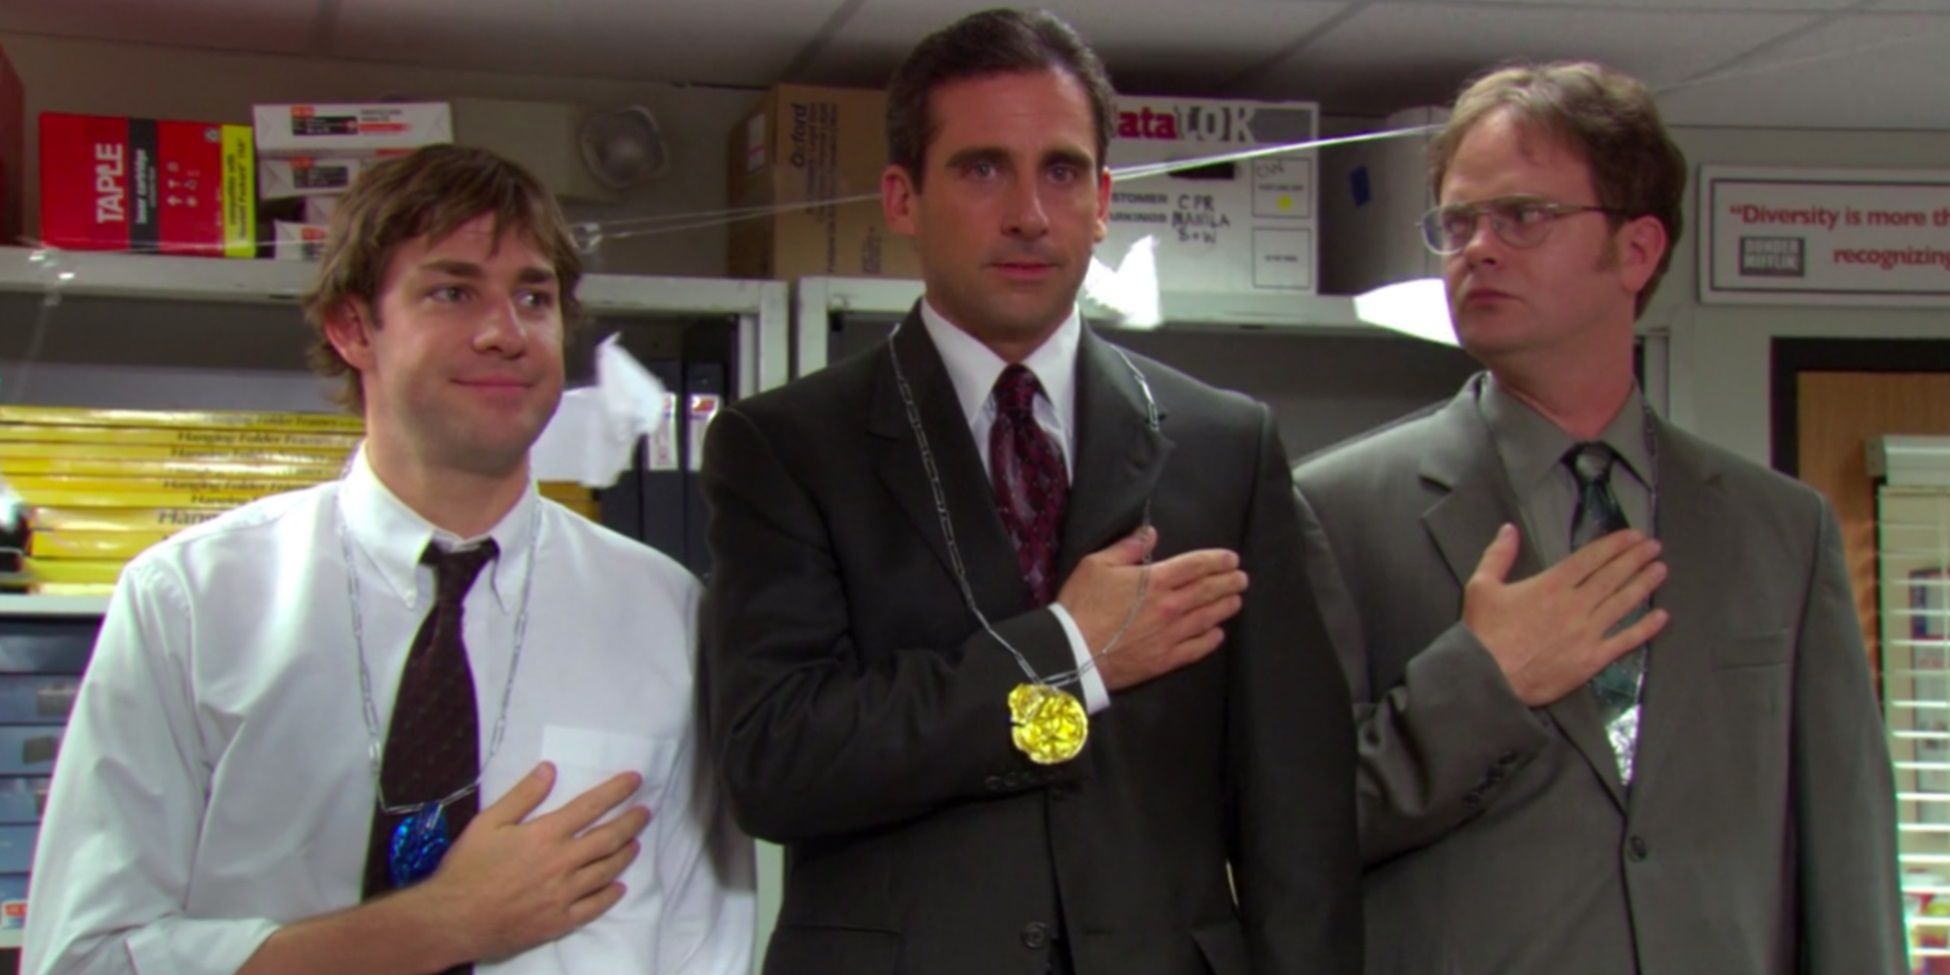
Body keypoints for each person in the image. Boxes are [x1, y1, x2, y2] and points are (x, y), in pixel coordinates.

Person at [700, 8, 1359, 975]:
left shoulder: (1226, 445)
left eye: (1060, 171)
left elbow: (1295, 807)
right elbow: (778, 764)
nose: (1027, 214)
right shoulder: (788, 448)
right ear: (902, 197)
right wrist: (1065, 651)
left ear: (1101, 199)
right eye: (980, 168)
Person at [24, 144, 754, 975]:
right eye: (451, 291)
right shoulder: (191, 600)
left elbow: (707, 948)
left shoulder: (666, 611)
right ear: (350, 326)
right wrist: (442, 925)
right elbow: (85, 959)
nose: (504, 332)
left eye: (533, 296)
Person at [1292, 61, 1905, 974]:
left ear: (1638, 249)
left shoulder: (1783, 531)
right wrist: (1483, 684)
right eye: (1458, 222)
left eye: (1523, 217)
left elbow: (1846, 856)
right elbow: (1291, 838)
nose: (1478, 249)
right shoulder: (1335, 510)